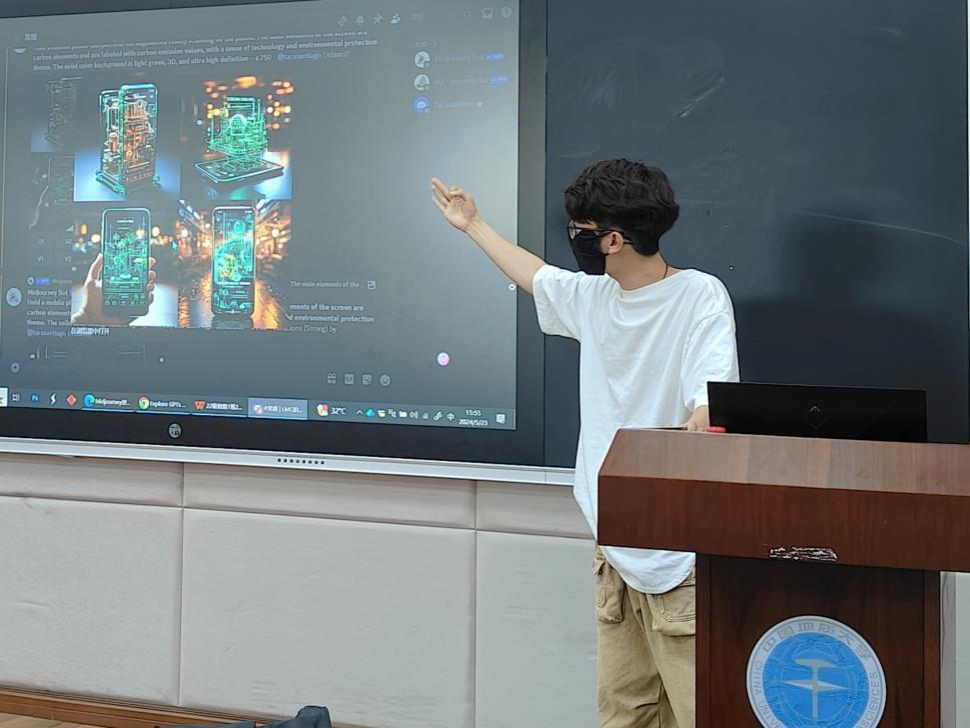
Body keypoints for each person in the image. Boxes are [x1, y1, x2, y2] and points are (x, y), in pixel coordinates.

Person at [432, 159, 739, 728]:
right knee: (623, 712)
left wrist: (703, 415)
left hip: (679, 556)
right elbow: (535, 274)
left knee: (698, 711)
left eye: (582, 229)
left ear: (614, 240)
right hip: (614, 547)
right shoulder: (595, 298)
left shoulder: (698, 296)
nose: (574, 237)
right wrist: (472, 224)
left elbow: (711, 392)